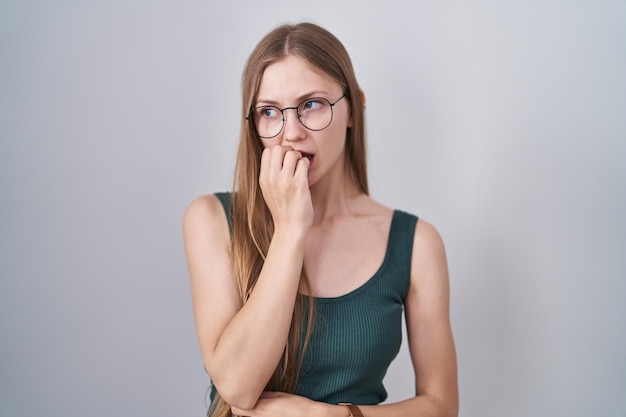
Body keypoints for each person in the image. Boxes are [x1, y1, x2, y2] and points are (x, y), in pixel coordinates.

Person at [183, 22, 458, 417]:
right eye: (270, 112)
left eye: (311, 104)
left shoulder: (416, 243)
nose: (290, 133)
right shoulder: (210, 219)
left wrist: (329, 415)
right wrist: (291, 229)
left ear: (353, 108)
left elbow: (442, 406)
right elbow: (237, 386)